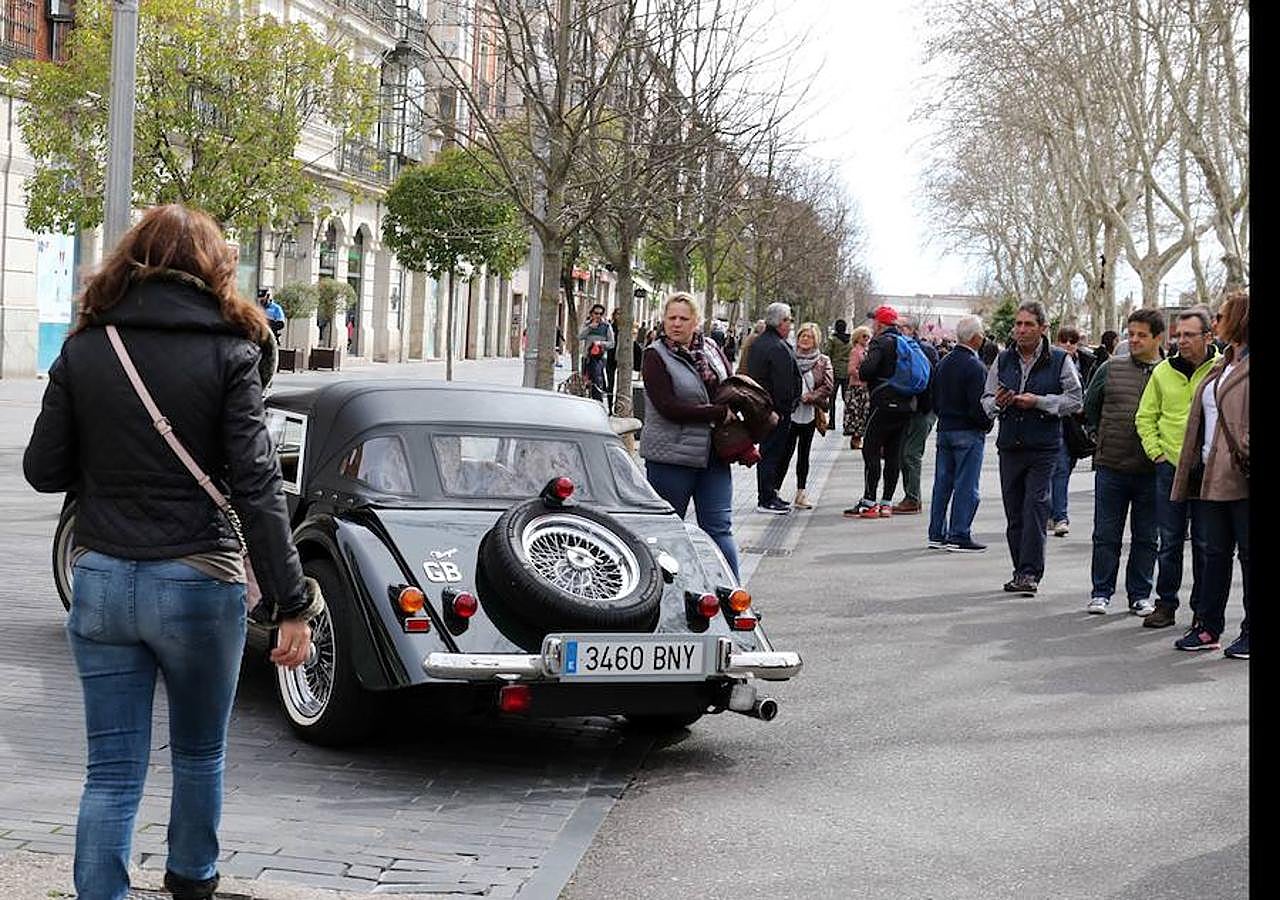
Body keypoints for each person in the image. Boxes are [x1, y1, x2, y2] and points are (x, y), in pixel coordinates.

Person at [22, 204, 319, 900]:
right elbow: (256, 487)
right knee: (198, 755)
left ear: (129, 259)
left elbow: (43, 469)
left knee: (111, 772)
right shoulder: (233, 351)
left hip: (98, 578)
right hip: (195, 580)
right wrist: (291, 602)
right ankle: (191, 884)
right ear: (214, 267)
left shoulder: (86, 348)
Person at [982, 300, 1083, 595]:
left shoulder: (1059, 360)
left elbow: (1075, 400)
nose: (1021, 330)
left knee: (1035, 508)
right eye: (1018, 324)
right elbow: (986, 399)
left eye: (1028, 324)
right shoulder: (1003, 360)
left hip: (1044, 447)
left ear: (1043, 328)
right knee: (1015, 513)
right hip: (1010, 446)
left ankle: (1029, 573)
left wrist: (1039, 401)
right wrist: (996, 404)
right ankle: (1020, 570)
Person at [1170, 290, 1248, 657]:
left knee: (1248, 556)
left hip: (1242, 476)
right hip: (1209, 475)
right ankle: (1208, 627)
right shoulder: (1223, 364)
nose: (1215, 322)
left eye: (1221, 316)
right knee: (1213, 554)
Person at [639, 292, 740, 576]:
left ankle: (735, 598)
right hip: (671, 458)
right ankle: (666, 599)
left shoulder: (711, 350)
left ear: (696, 321)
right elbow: (668, 407)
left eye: (684, 318)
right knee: (669, 533)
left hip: (713, 455)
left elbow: (728, 387)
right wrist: (717, 413)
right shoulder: (654, 355)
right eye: (671, 318)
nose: (676, 324)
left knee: (720, 529)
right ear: (663, 319)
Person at [1135, 307, 1220, 630]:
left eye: (1189, 335)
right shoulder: (1163, 371)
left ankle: (1202, 610)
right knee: (1169, 541)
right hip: (1170, 467)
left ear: (1208, 337)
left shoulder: (1221, 368)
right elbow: (1145, 417)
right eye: (1178, 335)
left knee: (1205, 543)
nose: (1181, 341)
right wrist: (1157, 453)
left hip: (1209, 470)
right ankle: (1166, 604)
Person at [1081, 309, 1166, 615]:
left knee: (1146, 537)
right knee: (1106, 534)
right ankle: (1101, 592)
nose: (1134, 340)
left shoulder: (1168, 371)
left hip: (1151, 469)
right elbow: (1090, 405)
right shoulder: (1110, 368)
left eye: (1142, 335)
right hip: (1111, 466)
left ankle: (1140, 594)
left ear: (1159, 337)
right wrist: (1096, 435)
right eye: (1131, 334)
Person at [843, 305, 917, 519]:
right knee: (893, 454)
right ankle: (886, 503)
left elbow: (866, 372)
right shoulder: (905, 342)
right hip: (905, 406)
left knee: (871, 451)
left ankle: (868, 501)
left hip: (883, 404)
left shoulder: (880, 342)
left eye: (874, 321)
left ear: (880, 323)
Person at [928, 315, 992, 552]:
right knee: (966, 484)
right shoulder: (975, 367)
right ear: (976, 338)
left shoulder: (944, 362)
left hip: (945, 427)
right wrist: (986, 423)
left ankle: (937, 531)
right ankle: (959, 533)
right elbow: (978, 404)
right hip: (968, 429)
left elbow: (933, 394)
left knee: (942, 483)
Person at [746, 302, 802, 514]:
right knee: (771, 453)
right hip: (775, 411)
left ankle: (770, 494)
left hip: (766, 408)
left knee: (771, 452)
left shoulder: (762, 342)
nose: (790, 325)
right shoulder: (776, 346)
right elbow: (783, 383)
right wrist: (785, 407)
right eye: (788, 320)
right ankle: (767, 497)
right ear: (780, 322)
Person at [778, 322, 834, 510]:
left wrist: (809, 397)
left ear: (815, 339)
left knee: (804, 454)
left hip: (809, 414)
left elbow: (828, 386)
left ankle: (801, 493)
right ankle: (775, 491)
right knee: (784, 453)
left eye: (809, 336)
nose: (805, 339)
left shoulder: (823, 360)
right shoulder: (788, 356)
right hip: (790, 413)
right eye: (802, 335)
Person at [1048, 325, 1095, 537]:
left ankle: (1051, 512)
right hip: (1058, 422)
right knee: (1061, 469)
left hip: (1077, 425)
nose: (1068, 345)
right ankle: (1059, 516)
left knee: (1063, 469)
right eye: (1064, 341)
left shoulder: (1087, 363)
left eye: (1073, 341)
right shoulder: (1051, 362)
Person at [893, 314, 940, 515]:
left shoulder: (923, 350)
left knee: (910, 453)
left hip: (923, 409)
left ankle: (913, 498)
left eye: (902, 327)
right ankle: (910, 496)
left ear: (912, 330)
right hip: (912, 409)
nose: (898, 331)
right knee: (904, 453)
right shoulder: (904, 348)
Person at [843, 325, 873, 448]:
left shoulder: (867, 350)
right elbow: (851, 369)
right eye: (864, 336)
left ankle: (859, 438)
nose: (866, 339)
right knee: (857, 414)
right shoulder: (856, 351)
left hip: (865, 387)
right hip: (857, 388)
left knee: (863, 413)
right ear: (857, 338)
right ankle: (856, 439)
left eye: (868, 336)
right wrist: (863, 376)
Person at [578, 303, 614, 403]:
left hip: (600, 358)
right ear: (591, 314)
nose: (598, 316)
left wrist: (601, 343)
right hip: (587, 356)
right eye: (596, 313)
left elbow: (612, 343)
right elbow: (580, 336)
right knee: (586, 379)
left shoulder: (606, 326)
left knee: (597, 379)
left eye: (600, 314)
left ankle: (598, 401)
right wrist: (590, 327)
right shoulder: (587, 324)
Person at [823, 318, 852, 427]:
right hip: (846, 372)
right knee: (846, 398)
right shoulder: (850, 340)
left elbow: (826, 353)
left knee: (832, 398)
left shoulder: (833, 340)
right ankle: (848, 422)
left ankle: (832, 422)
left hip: (835, 371)